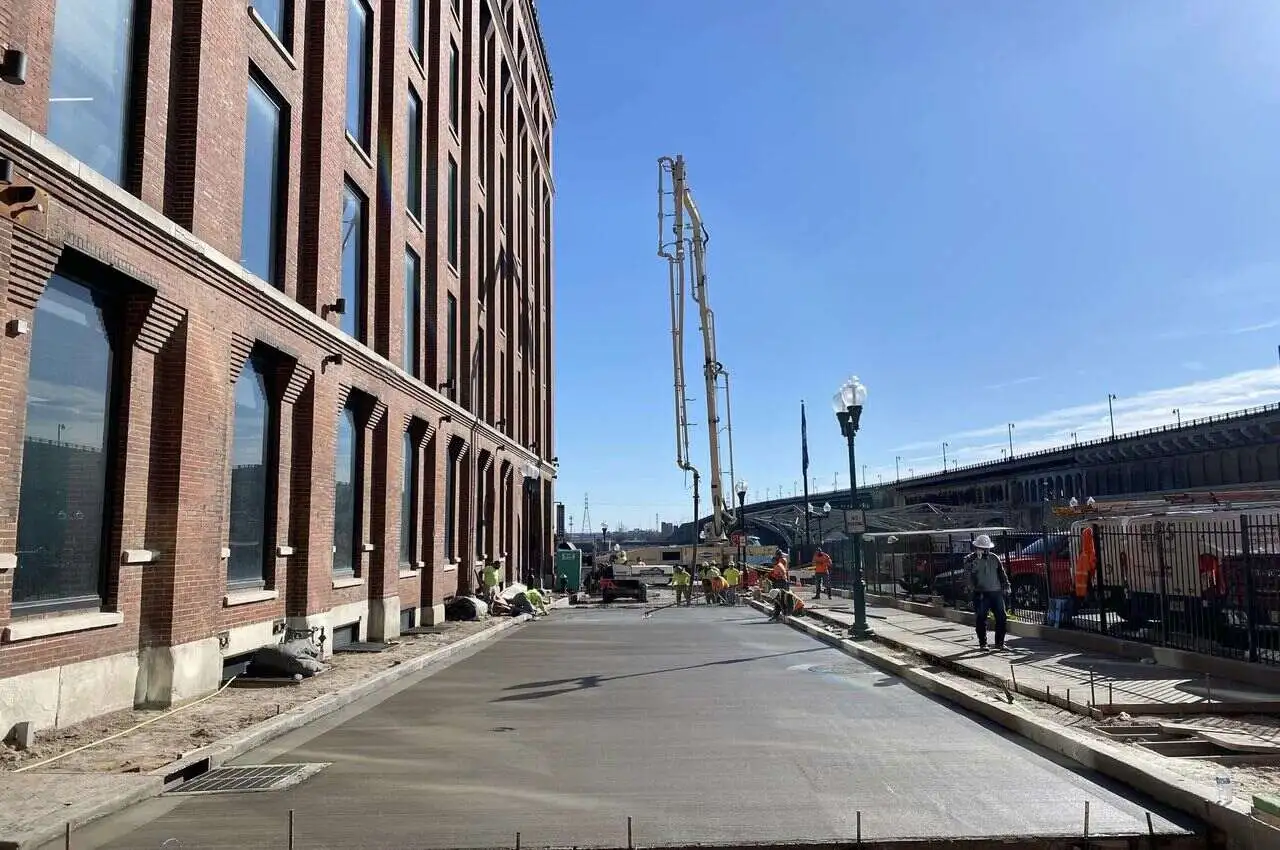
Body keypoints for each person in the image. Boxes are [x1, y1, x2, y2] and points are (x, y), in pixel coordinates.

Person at [967, 534, 1010, 651]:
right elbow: (968, 574)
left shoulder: (994, 558)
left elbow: (1002, 573)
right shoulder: (970, 559)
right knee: (981, 618)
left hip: (996, 592)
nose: (985, 551)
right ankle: (983, 643)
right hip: (981, 593)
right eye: (982, 548)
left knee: (1002, 617)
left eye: (986, 548)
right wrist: (976, 562)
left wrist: (1006, 585)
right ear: (976, 548)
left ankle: (1000, 643)